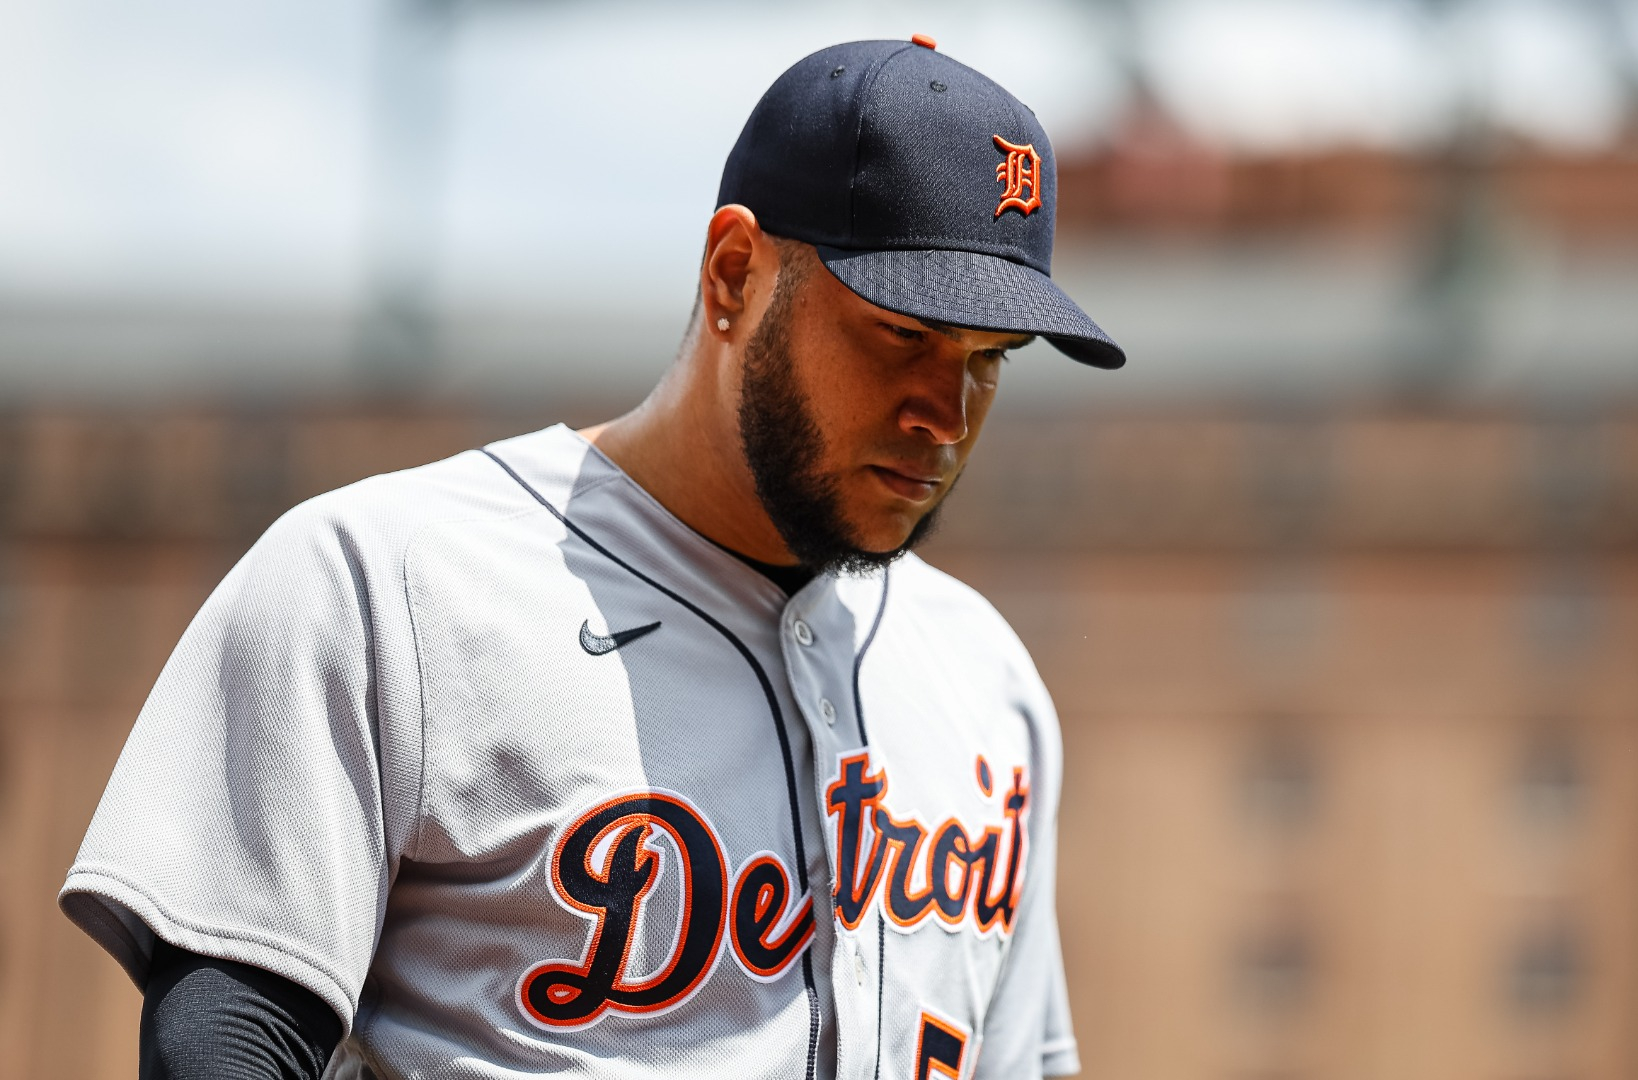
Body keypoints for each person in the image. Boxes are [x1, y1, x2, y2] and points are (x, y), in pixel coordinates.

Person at [60, 36, 1123, 1080]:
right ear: (736, 274)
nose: (946, 413)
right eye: (902, 335)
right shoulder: (388, 582)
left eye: (989, 359)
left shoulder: (985, 680)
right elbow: (226, 1044)